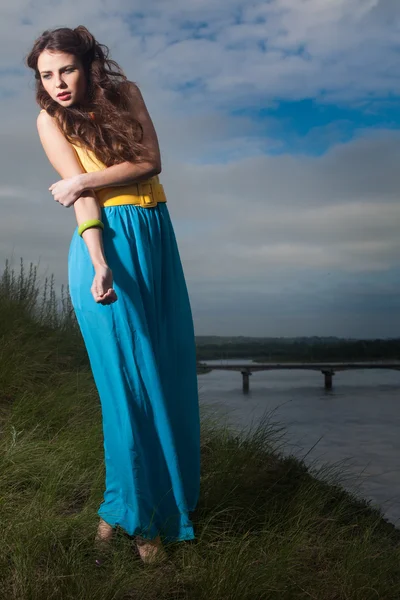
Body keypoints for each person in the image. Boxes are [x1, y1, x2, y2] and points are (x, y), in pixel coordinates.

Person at [25, 25, 201, 565]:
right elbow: (86, 209)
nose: (57, 83)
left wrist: (81, 182)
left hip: (155, 238)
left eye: (66, 70)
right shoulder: (50, 120)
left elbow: (152, 162)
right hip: (106, 247)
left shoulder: (127, 96)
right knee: (127, 389)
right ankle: (141, 523)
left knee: (168, 377)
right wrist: (100, 263)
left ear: (89, 64)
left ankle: (130, 508)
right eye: (46, 75)